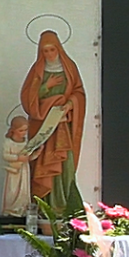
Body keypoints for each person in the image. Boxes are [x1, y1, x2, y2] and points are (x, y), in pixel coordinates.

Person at [20, 30, 86, 214]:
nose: (49, 54)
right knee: (43, 162)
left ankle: (65, 206)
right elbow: (27, 99)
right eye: (45, 51)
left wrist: (70, 104)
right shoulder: (37, 71)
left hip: (63, 125)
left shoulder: (69, 68)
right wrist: (45, 87)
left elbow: (79, 93)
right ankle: (45, 208)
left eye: (52, 50)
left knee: (64, 163)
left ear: (59, 49)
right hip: (42, 126)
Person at [1, 115, 41, 216]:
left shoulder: (25, 142)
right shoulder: (9, 142)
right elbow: (5, 155)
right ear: (13, 130)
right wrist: (18, 158)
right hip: (14, 170)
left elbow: (28, 157)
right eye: (21, 130)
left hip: (24, 170)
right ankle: (11, 210)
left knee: (23, 191)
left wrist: (36, 153)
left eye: (25, 130)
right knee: (12, 191)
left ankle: (21, 210)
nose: (23, 133)